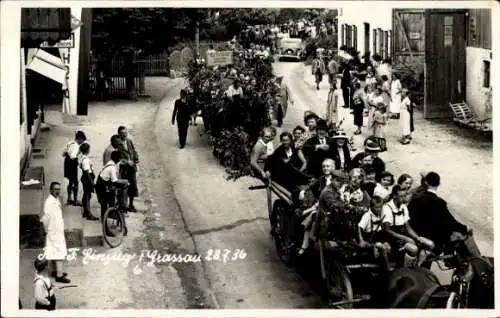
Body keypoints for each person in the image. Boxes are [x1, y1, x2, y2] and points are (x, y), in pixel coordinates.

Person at [408, 172, 470, 257]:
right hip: (431, 237)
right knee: (456, 235)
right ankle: (450, 259)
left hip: (414, 231)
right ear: (439, 184)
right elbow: (450, 221)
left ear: (426, 182)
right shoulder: (439, 202)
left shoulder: (416, 197)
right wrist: (466, 228)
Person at [382, 185, 434, 267]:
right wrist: (406, 238)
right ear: (395, 196)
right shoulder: (387, 208)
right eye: (401, 196)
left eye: (405, 196)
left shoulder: (403, 207)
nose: (404, 199)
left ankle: (418, 265)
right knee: (414, 249)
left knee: (430, 244)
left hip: (403, 234)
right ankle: (406, 269)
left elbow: (408, 227)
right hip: (392, 237)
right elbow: (388, 230)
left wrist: (417, 238)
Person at [298, 158, 336, 255]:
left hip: (332, 206)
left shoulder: (337, 179)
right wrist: (303, 191)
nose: (325, 168)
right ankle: (306, 245)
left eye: (328, 166)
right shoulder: (322, 179)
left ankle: (308, 242)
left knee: (313, 215)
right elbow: (311, 185)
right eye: (323, 166)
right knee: (313, 216)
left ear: (333, 167)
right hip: (321, 206)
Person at [41, 182, 70, 283]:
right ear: (51, 190)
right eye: (55, 189)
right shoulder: (49, 202)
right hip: (53, 230)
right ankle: (59, 275)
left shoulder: (56, 199)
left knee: (55, 251)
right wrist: (47, 230)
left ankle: (56, 271)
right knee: (59, 252)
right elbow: (45, 219)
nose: (57, 191)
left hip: (57, 230)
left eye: (59, 189)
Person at [358, 196, 392, 270]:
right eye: (377, 207)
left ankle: (384, 265)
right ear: (372, 207)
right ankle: (387, 267)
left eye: (380, 207)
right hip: (370, 240)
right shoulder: (367, 216)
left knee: (388, 247)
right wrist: (361, 240)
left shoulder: (379, 214)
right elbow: (360, 227)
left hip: (379, 237)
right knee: (382, 247)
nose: (379, 209)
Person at [94, 151, 129, 222]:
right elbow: (115, 181)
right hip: (102, 186)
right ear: (118, 159)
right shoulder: (112, 167)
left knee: (109, 199)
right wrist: (125, 181)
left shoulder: (110, 163)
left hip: (101, 183)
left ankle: (109, 214)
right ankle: (105, 219)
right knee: (105, 202)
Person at [118, 126, 139, 212]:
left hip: (132, 168)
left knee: (133, 187)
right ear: (119, 134)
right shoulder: (118, 144)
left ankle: (131, 205)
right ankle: (123, 205)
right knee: (124, 187)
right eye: (123, 134)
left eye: (126, 133)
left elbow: (133, 151)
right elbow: (118, 157)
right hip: (124, 169)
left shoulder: (129, 141)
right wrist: (127, 162)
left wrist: (136, 158)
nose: (125, 135)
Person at [62, 130, 86, 206]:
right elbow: (73, 157)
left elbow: (63, 153)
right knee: (75, 182)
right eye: (81, 141)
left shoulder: (69, 143)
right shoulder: (76, 146)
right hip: (72, 164)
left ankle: (69, 198)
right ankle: (75, 200)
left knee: (70, 181)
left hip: (66, 163)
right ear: (79, 138)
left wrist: (67, 154)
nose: (81, 143)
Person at [79, 143, 99, 221]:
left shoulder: (82, 158)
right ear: (87, 150)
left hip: (86, 178)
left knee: (86, 194)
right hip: (88, 178)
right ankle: (88, 213)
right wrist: (92, 182)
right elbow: (87, 172)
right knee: (87, 195)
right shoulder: (86, 160)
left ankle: (85, 211)